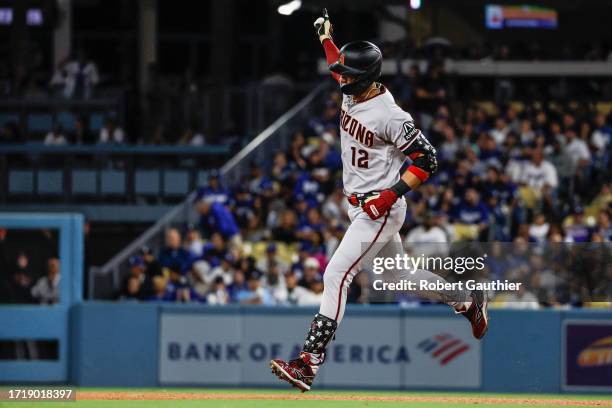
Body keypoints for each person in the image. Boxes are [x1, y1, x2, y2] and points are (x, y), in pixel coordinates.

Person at [270, 10, 489, 392]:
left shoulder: (390, 114)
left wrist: (389, 195)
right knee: (397, 275)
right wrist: (326, 36)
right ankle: (466, 300)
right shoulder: (352, 85)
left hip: (380, 207)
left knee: (336, 274)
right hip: (358, 203)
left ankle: (308, 362)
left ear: (368, 79)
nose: (342, 79)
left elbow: (427, 159)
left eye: (350, 76)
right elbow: (336, 66)